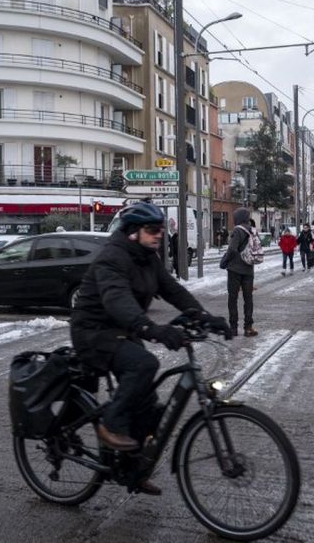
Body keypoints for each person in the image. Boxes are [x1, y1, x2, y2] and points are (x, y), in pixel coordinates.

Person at [70, 202, 231, 494]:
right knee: (143, 364)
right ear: (133, 232)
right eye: (153, 230)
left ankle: (132, 470)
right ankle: (111, 423)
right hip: (93, 332)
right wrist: (150, 328)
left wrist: (203, 316)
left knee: (149, 407)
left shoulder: (147, 258)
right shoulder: (113, 257)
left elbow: (172, 289)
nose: (159, 235)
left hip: (122, 331)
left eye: (161, 230)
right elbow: (116, 299)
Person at [224, 208, 257, 337]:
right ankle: (248, 327)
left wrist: (225, 261)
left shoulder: (237, 230)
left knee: (233, 298)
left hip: (235, 270)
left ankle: (233, 328)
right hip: (249, 269)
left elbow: (232, 249)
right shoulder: (252, 230)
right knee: (248, 298)